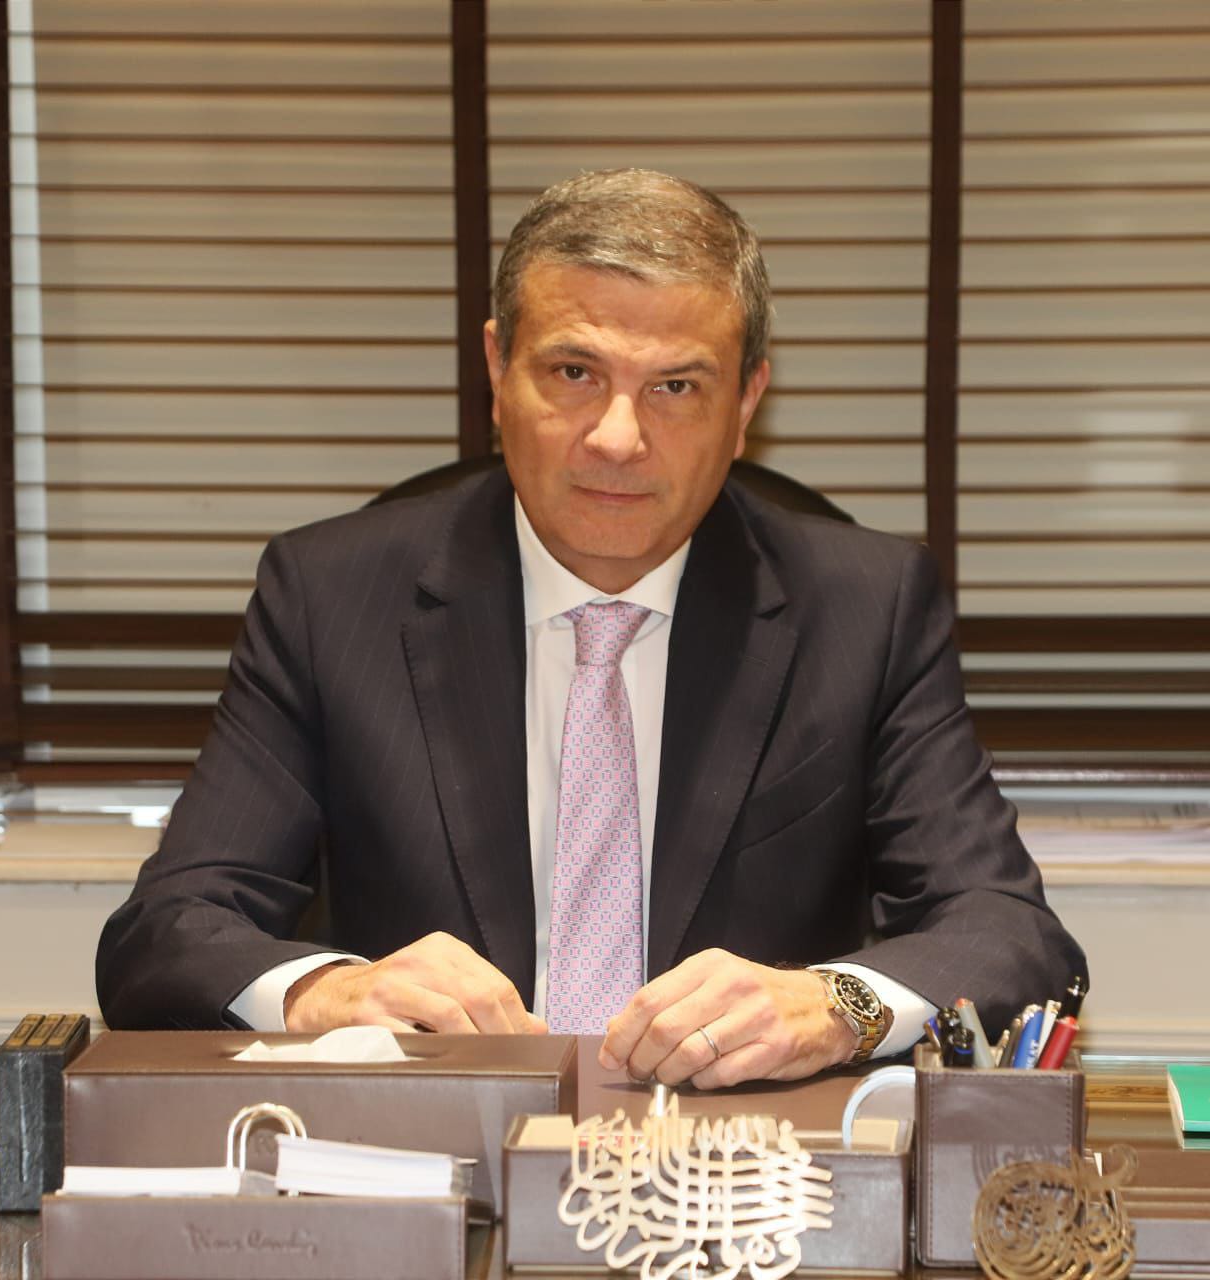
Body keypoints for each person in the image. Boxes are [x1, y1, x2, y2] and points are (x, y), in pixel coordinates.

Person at [97, 169, 1085, 1087]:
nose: (617, 437)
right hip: (438, 1153)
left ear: (746, 401)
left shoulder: (863, 607)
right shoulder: (331, 596)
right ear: (497, 368)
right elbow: (164, 930)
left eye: (675, 387)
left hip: (739, 1166)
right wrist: (327, 993)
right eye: (573, 371)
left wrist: (836, 1004)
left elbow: (1010, 935)